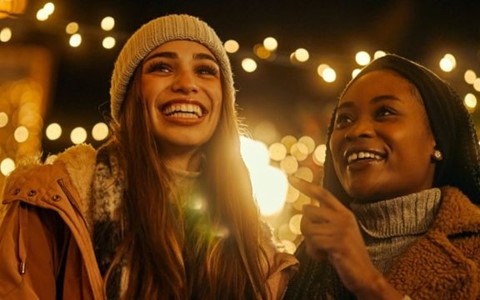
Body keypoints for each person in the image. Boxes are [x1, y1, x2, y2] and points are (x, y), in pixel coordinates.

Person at [0, 14, 297, 299]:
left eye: (205, 70)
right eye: (162, 68)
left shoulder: (256, 250)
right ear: (132, 94)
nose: (186, 83)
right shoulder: (54, 202)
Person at [283, 54, 480, 299]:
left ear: (436, 138)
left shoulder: (473, 252)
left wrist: (371, 285)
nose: (357, 131)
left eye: (385, 112)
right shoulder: (305, 266)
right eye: (344, 119)